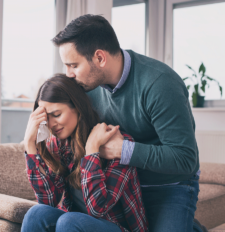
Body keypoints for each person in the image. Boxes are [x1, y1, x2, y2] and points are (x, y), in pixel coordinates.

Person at [52, 14, 205, 232]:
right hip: (122, 184)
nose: (68, 74)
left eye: (73, 65)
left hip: (169, 185)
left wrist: (123, 150)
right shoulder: (86, 86)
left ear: (100, 58)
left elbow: (185, 159)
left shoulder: (160, 84)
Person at [22, 74, 148, 232]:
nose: (52, 124)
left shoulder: (116, 143)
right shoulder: (60, 143)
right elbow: (48, 201)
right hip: (73, 224)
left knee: (69, 221)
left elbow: (98, 209)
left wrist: (92, 150)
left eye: (57, 115)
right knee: (36, 213)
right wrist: (30, 145)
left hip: (116, 226)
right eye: (47, 118)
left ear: (77, 106)